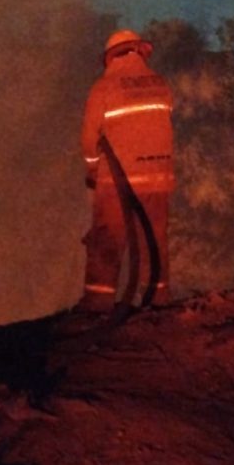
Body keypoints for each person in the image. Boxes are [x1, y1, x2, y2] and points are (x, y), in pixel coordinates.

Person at [78, 29, 175, 313]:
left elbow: (88, 138)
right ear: (138, 51)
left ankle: (97, 304)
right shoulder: (161, 83)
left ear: (111, 57)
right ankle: (158, 301)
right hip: (158, 177)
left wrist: (92, 169)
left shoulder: (104, 87)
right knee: (154, 238)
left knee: (107, 239)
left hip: (117, 181)